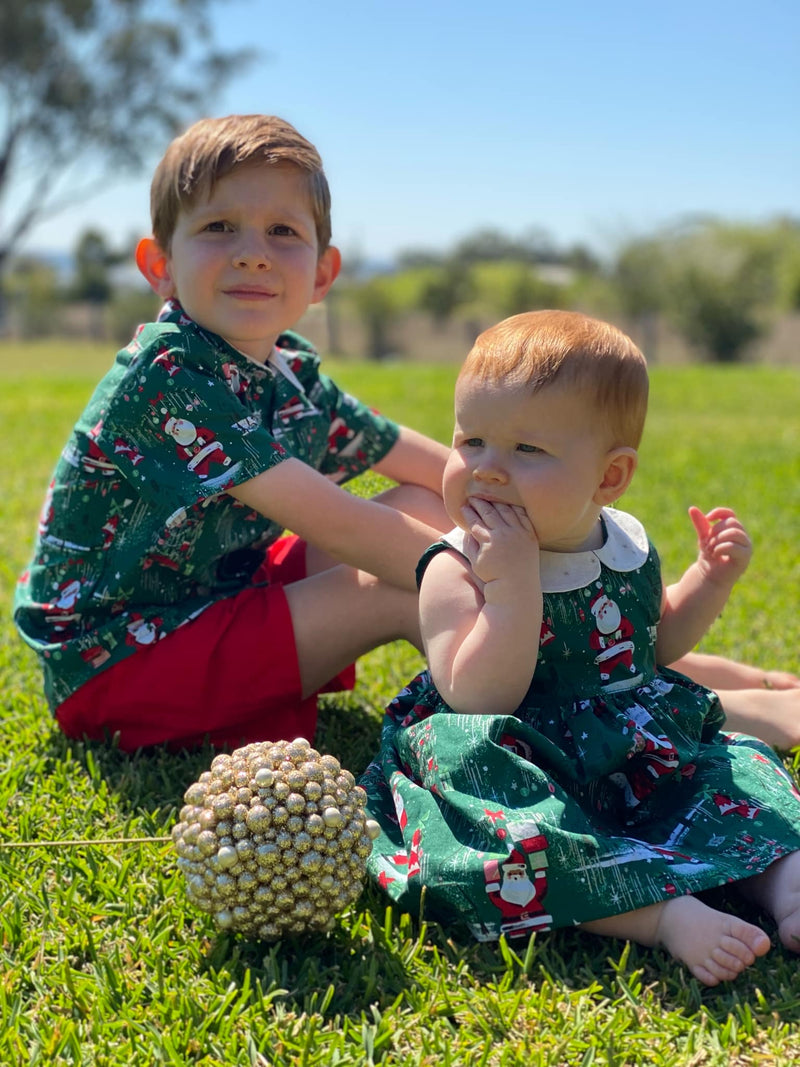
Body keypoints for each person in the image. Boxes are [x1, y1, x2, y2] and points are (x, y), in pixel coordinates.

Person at [361, 310, 800, 987]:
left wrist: (708, 581)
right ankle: (659, 915)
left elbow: (653, 648)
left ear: (609, 477)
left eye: (527, 450)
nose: (488, 471)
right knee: (503, 833)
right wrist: (509, 585)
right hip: (512, 753)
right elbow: (477, 696)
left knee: (736, 771)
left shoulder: (623, 547)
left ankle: (782, 881)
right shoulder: (456, 566)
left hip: (633, 750)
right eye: (471, 440)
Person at [13, 113, 450, 752]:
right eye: (219, 227)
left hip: (219, 595)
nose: (253, 251)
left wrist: (557, 533)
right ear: (160, 264)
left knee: (427, 506)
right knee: (402, 587)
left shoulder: (290, 371)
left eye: (282, 230)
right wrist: (482, 572)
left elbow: (433, 469)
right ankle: (519, 731)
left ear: (323, 274)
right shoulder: (165, 377)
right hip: (119, 660)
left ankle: (535, 675)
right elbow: (340, 523)